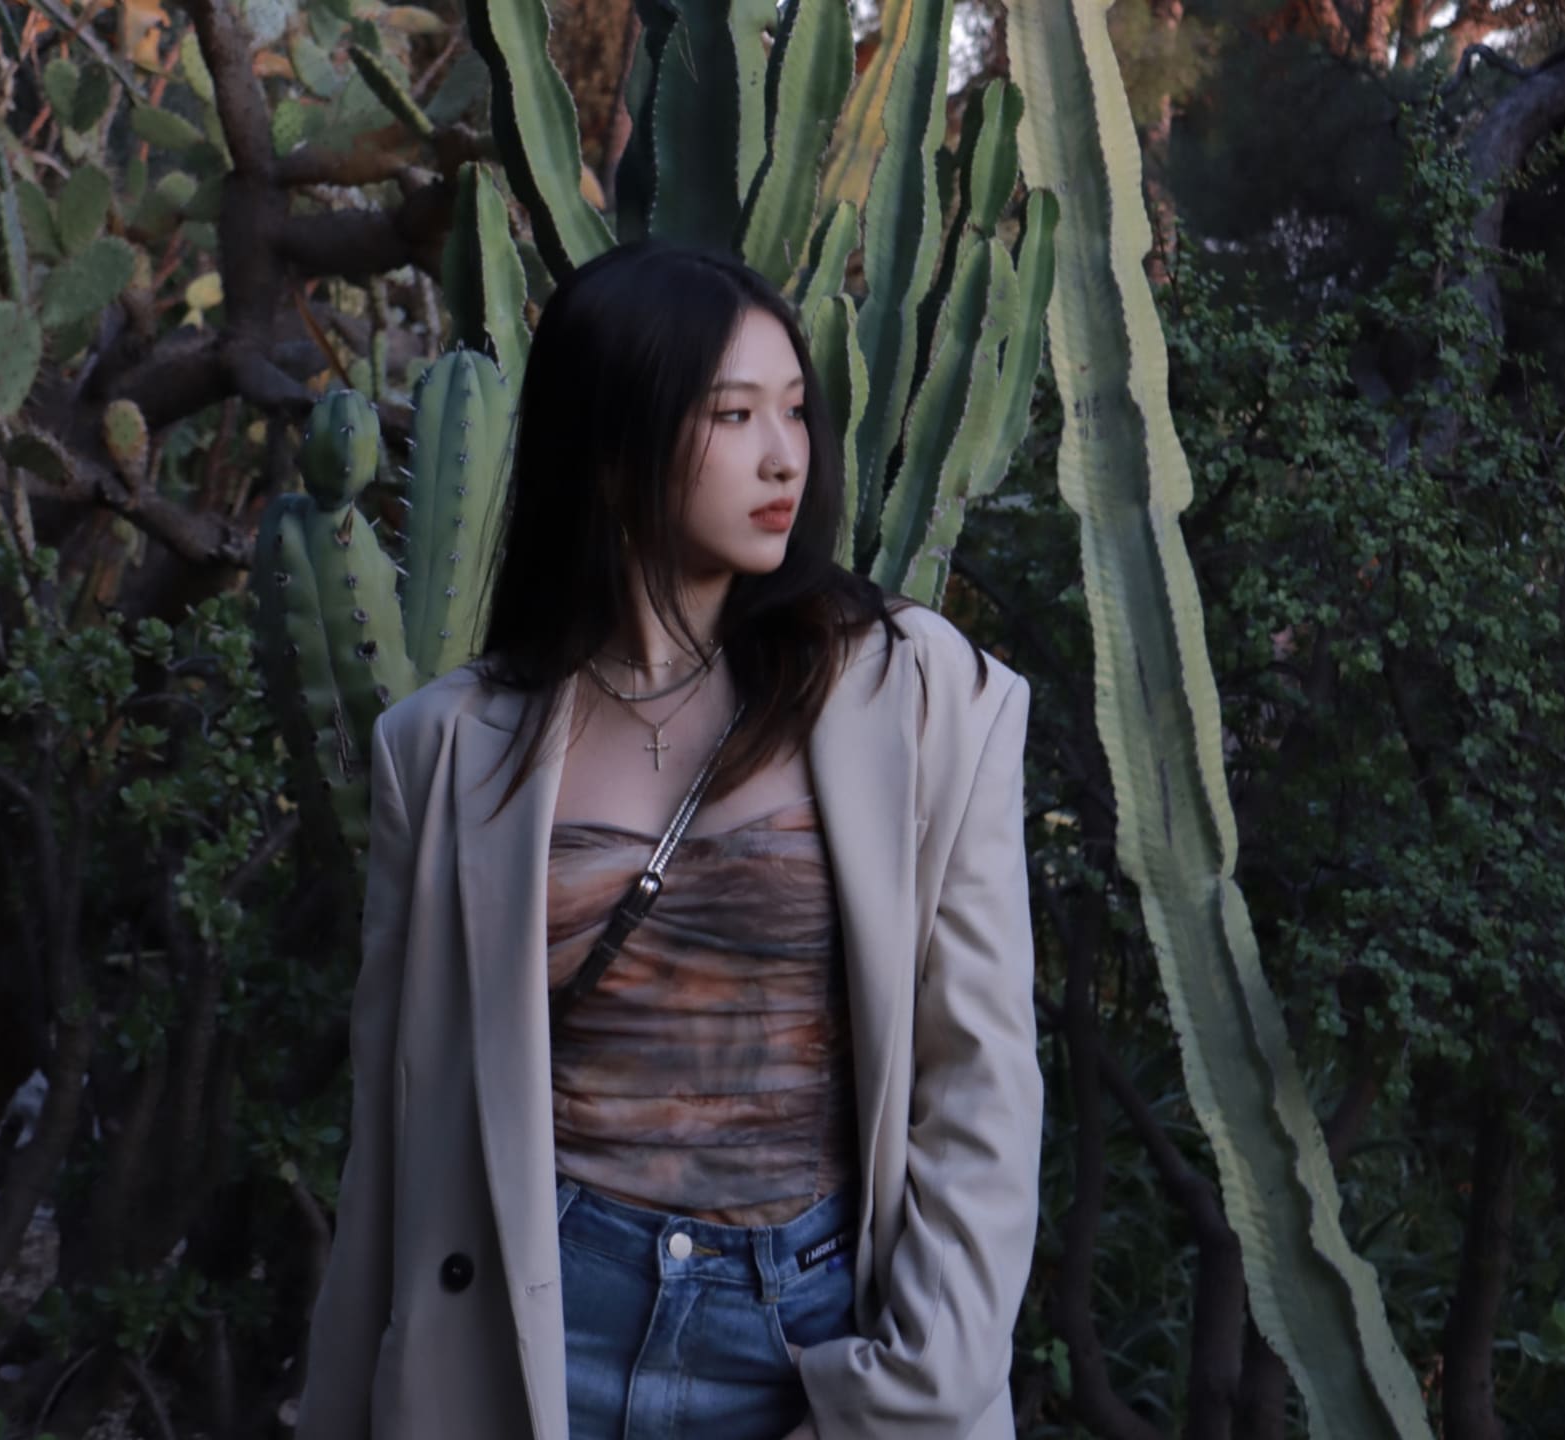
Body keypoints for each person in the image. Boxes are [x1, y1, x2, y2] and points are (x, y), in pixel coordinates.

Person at [293, 240, 1041, 1440]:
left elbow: (980, 1085)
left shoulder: (919, 694)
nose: (783, 454)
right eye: (732, 414)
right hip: (541, 1336)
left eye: (793, 410)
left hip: (811, 1344)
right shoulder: (443, 752)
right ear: (609, 448)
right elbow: (399, 1140)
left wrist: (921, 1384)